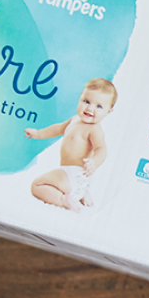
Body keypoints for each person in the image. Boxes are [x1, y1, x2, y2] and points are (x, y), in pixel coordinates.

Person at [26, 77, 115, 211]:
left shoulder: (94, 129)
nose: (90, 108)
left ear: (108, 111)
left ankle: (63, 200)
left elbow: (101, 149)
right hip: (75, 178)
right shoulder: (75, 119)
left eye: (99, 106)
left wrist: (94, 162)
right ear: (80, 98)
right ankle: (82, 193)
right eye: (86, 101)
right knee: (63, 181)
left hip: (73, 174)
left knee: (37, 185)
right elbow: (58, 128)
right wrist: (38, 133)